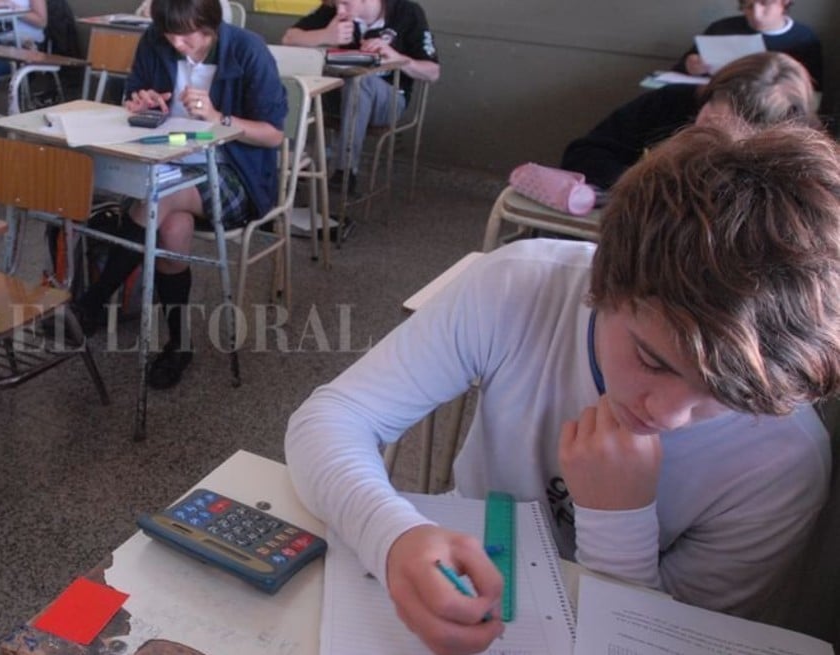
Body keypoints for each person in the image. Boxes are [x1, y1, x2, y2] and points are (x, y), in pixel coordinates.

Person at [286, 123, 840, 654]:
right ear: (603, 280)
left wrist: (619, 521)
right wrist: (392, 536)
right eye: (652, 360)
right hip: (466, 566)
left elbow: (674, 637)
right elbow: (329, 421)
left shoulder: (784, 462)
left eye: (729, 396)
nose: (668, 415)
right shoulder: (520, 285)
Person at [72, 0, 285, 390]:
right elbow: (133, 101)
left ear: (210, 26)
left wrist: (218, 118)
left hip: (236, 172)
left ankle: (91, 302)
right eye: (169, 35)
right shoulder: (155, 41)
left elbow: (273, 134)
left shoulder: (247, 49)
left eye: (186, 37)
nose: (177, 44)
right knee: (171, 229)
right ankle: (179, 344)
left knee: (157, 199)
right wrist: (139, 104)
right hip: (168, 160)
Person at [562, 51, 815, 190]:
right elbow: (583, 154)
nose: (707, 134)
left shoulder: (793, 166)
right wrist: (643, 183)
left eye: (728, 134)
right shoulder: (671, 102)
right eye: (709, 119)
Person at [281, 0, 438, 190]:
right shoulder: (336, 10)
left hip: (388, 101)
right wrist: (325, 35)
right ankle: (290, 162)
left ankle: (345, 172)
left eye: (345, 4)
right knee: (296, 81)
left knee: (360, 82)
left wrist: (397, 58)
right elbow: (289, 38)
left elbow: (432, 72)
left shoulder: (406, 12)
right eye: (337, 4)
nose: (340, 10)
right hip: (339, 96)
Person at [676, 0, 822, 89]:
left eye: (764, 3)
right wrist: (690, 66)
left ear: (784, 2)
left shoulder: (804, 39)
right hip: (714, 98)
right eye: (749, 6)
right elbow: (680, 68)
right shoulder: (721, 28)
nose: (756, 14)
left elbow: (813, 89)